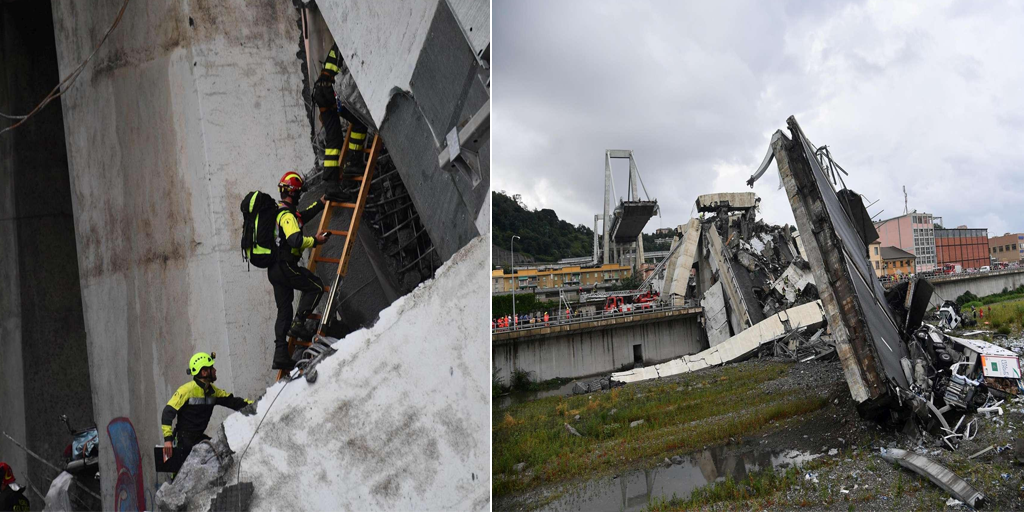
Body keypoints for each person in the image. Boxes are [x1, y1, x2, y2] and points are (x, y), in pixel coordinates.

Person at [268, 172, 331, 370]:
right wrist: (315, 241)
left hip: (275, 269)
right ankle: (299, 323)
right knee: (315, 286)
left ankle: (280, 355)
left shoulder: (284, 212)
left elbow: (302, 217)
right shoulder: (287, 216)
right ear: (294, 193)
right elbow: (295, 239)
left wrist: (321, 203)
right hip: (286, 266)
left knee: (284, 311)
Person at [161, 353, 252, 472]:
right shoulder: (186, 390)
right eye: (211, 368)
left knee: (219, 455)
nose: (215, 370)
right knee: (183, 475)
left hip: (199, 438)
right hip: (184, 442)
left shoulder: (213, 391)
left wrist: (258, 404)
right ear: (204, 372)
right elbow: (167, 413)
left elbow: (235, 402)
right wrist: (168, 440)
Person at [311, 43, 369, 202]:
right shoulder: (350, 42)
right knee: (359, 121)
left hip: (320, 91)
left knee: (334, 139)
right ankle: (354, 162)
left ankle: (331, 186)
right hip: (332, 90)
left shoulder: (337, 45)